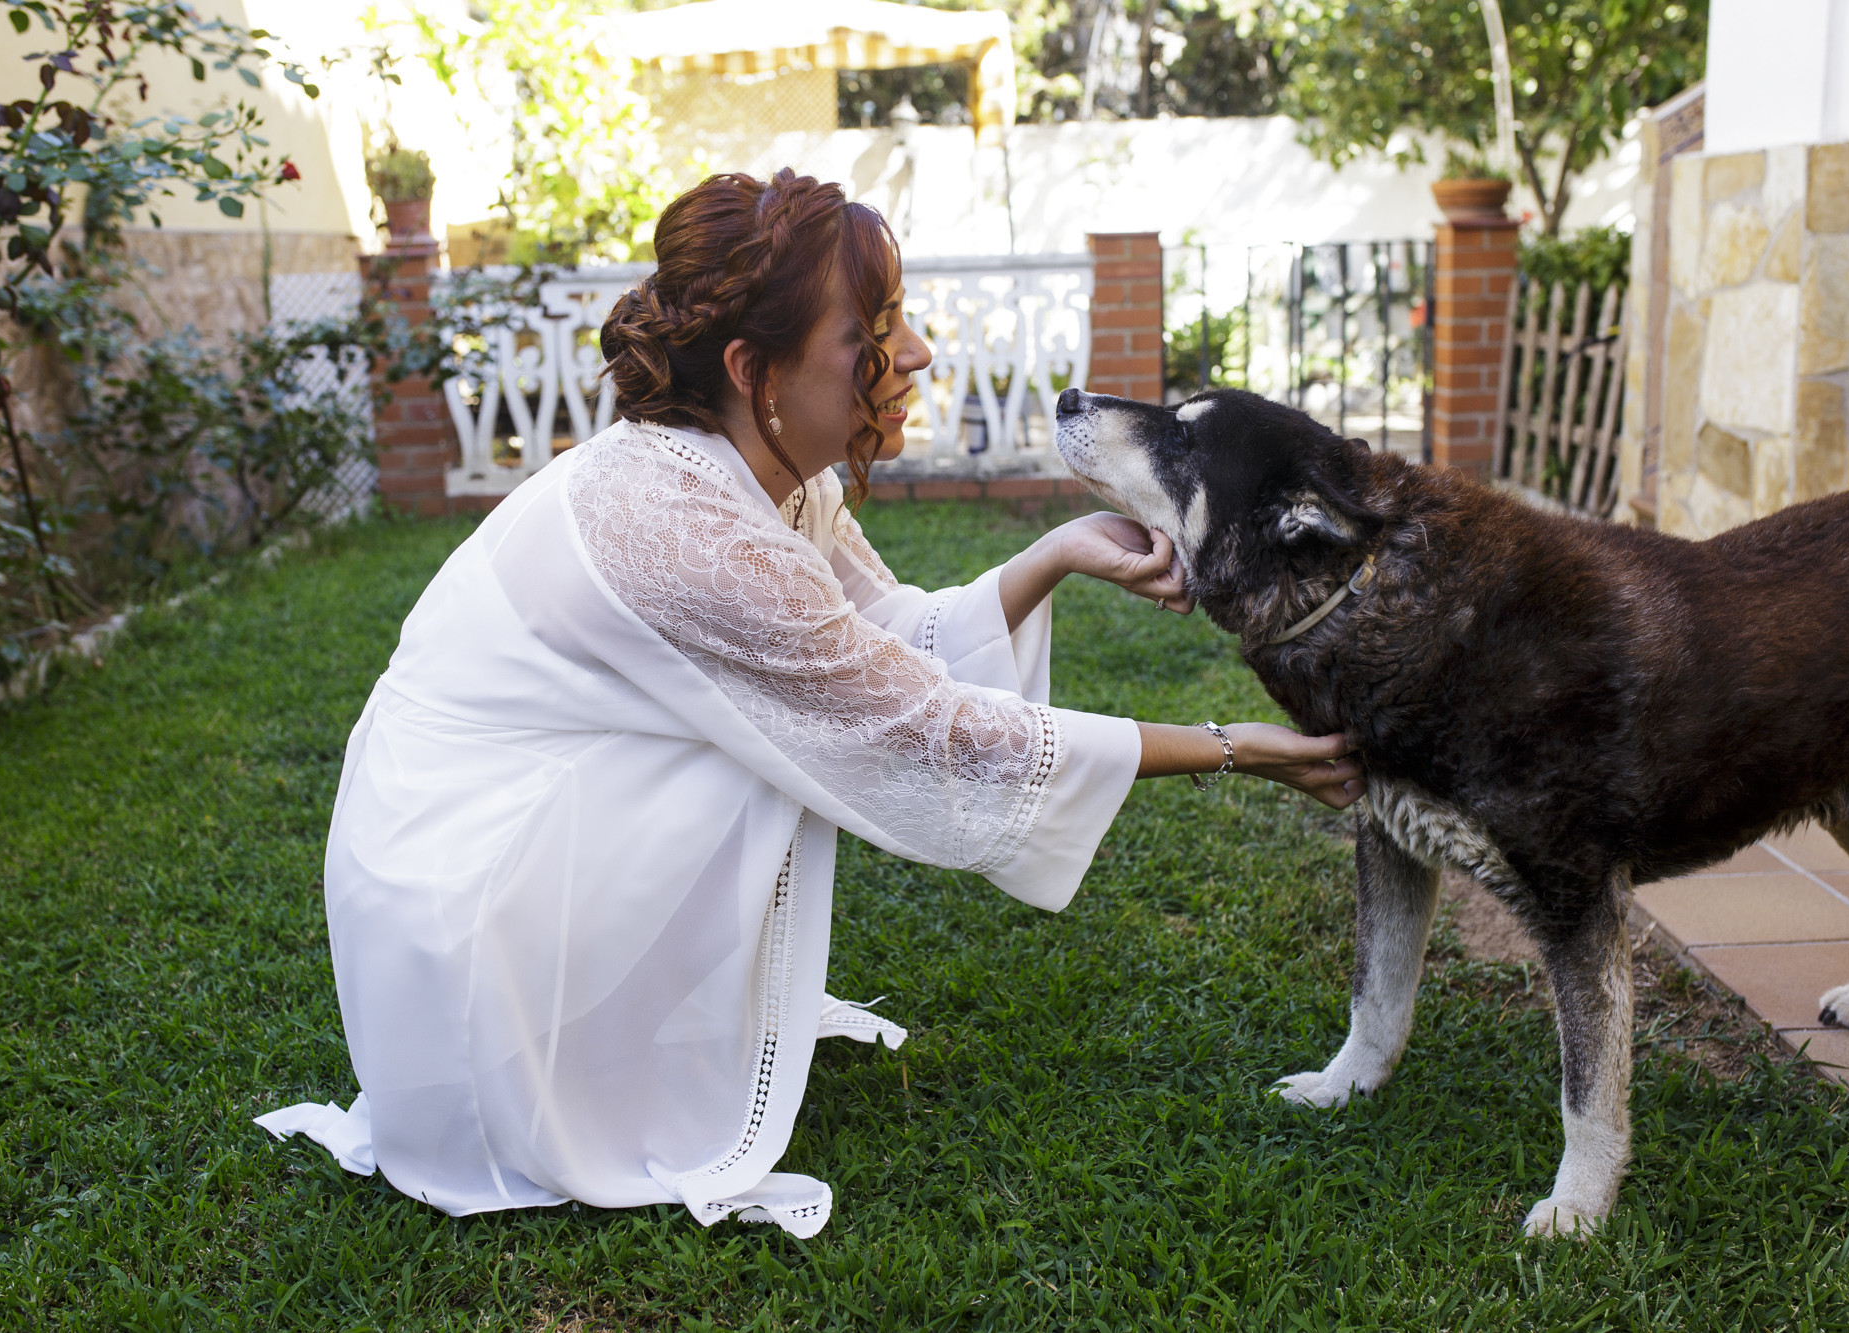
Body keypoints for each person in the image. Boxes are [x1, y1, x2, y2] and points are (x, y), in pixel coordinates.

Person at [258, 170, 1362, 1237]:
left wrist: (1055, 554)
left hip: (503, 848)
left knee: (784, 719)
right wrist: (1236, 748)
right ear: (755, 369)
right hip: (458, 916)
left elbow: (881, 643)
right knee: (769, 740)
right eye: (873, 329)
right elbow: (920, 731)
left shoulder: (769, 472)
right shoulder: (688, 531)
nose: (916, 352)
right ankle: (555, 1069)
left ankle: (623, 1034)